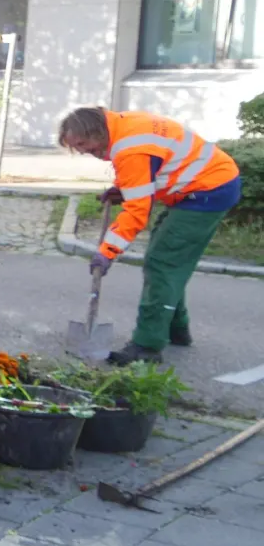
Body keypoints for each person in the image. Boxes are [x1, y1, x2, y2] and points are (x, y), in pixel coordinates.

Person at [58, 107, 241, 365]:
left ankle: (147, 346)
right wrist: (124, 188)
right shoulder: (122, 126)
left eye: (82, 144)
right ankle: (175, 329)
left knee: (163, 263)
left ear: (95, 131)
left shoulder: (129, 147)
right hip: (204, 184)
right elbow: (147, 167)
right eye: (76, 148)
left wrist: (107, 252)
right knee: (167, 259)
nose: (83, 151)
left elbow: (136, 212)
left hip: (206, 191)